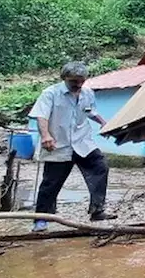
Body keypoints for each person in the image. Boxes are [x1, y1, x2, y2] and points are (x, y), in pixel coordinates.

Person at [29, 62, 115, 232]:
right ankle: (41, 219)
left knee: (100, 167)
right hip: (59, 144)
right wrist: (46, 135)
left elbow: (91, 112)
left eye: (81, 81)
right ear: (64, 78)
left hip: (82, 142)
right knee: (51, 182)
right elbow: (41, 116)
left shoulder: (87, 93)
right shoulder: (50, 93)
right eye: (74, 81)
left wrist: (105, 124)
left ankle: (97, 210)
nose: (78, 85)